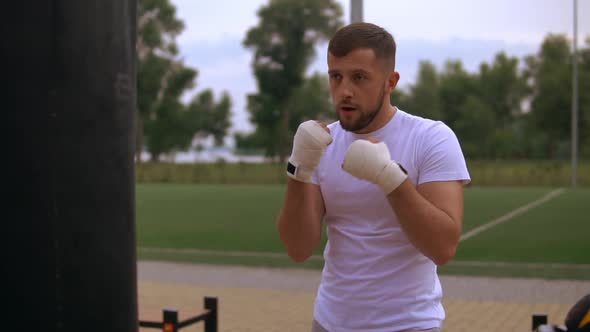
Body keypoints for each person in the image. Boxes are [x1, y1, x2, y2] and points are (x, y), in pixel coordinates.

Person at [277, 22, 471, 332]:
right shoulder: (322, 143)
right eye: (335, 76)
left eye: (359, 77)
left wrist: (390, 179)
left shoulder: (431, 138)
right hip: (329, 323)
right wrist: (298, 168)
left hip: (409, 325)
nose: (345, 91)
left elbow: (443, 247)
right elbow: (298, 249)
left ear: (390, 82)